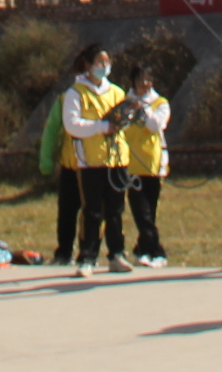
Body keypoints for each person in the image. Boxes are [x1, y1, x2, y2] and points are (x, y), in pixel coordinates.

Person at [59, 43, 133, 275]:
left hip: (117, 159)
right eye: (100, 62)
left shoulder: (117, 92)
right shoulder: (76, 93)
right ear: (88, 65)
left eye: (107, 62)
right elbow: (72, 125)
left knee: (115, 209)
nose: (104, 66)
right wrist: (102, 127)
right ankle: (88, 257)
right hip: (90, 160)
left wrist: (127, 118)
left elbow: (125, 119)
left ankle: (116, 254)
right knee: (92, 210)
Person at [124, 67, 173, 268]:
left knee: (149, 211)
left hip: (153, 164)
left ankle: (143, 249)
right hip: (130, 164)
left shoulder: (161, 103)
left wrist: (143, 107)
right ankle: (157, 251)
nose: (144, 84)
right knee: (140, 211)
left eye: (148, 80)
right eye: (141, 80)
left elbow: (155, 125)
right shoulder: (124, 102)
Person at [35, 66, 79, 265]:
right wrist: (46, 162)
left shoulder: (111, 94)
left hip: (97, 166)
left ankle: (90, 253)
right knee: (67, 211)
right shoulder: (65, 99)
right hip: (70, 164)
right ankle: (64, 252)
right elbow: (52, 131)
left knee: (95, 213)